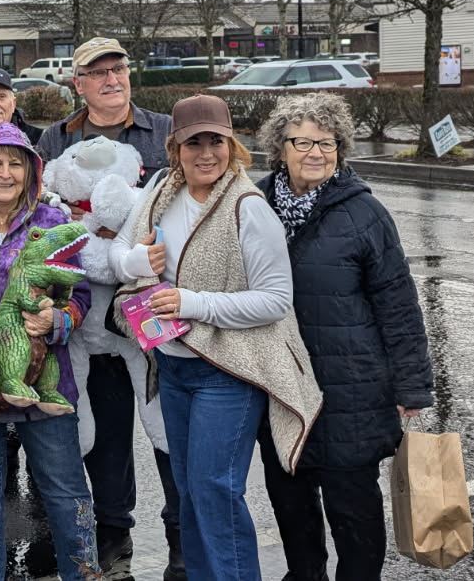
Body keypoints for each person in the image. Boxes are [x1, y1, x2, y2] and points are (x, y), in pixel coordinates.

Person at [109, 95, 322, 581]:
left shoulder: (249, 208)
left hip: (226, 372)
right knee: (190, 491)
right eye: (194, 143)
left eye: (216, 142)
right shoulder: (163, 189)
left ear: (232, 144)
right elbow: (120, 253)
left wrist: (191, 302)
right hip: (175, 367)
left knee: (215, 491)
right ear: (174, 148)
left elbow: (275, 300)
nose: (206, 153)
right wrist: (138, 263)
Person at [254, 93, 434, 581]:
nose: (316, 153)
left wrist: (411, 386)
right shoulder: (254, 207)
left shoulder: (365, 214)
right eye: (303, 142)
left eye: (327, 143)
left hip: (350, 389)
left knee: (353, 511)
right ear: (280, 148)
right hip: (282, 387)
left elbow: (398, 304)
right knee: (290, 503)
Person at [34, 36, 179, 573]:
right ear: (79, 83)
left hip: (154, 307)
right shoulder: (56, 137)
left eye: (118, 69)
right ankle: (114, 532)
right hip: (83, 314)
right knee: (107, 434)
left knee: (168, 426)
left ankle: (181, 537)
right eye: (98, 73)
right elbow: (40, 210)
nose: (111, 79)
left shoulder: (163, 131)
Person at [0, 122, 99, 580]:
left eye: (16, 163)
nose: (6, 173)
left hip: (44, 368)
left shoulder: (53, 223)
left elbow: (82, 294)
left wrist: (58, 319)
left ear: (32, 171)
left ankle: (84, 573)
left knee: (66, 489)